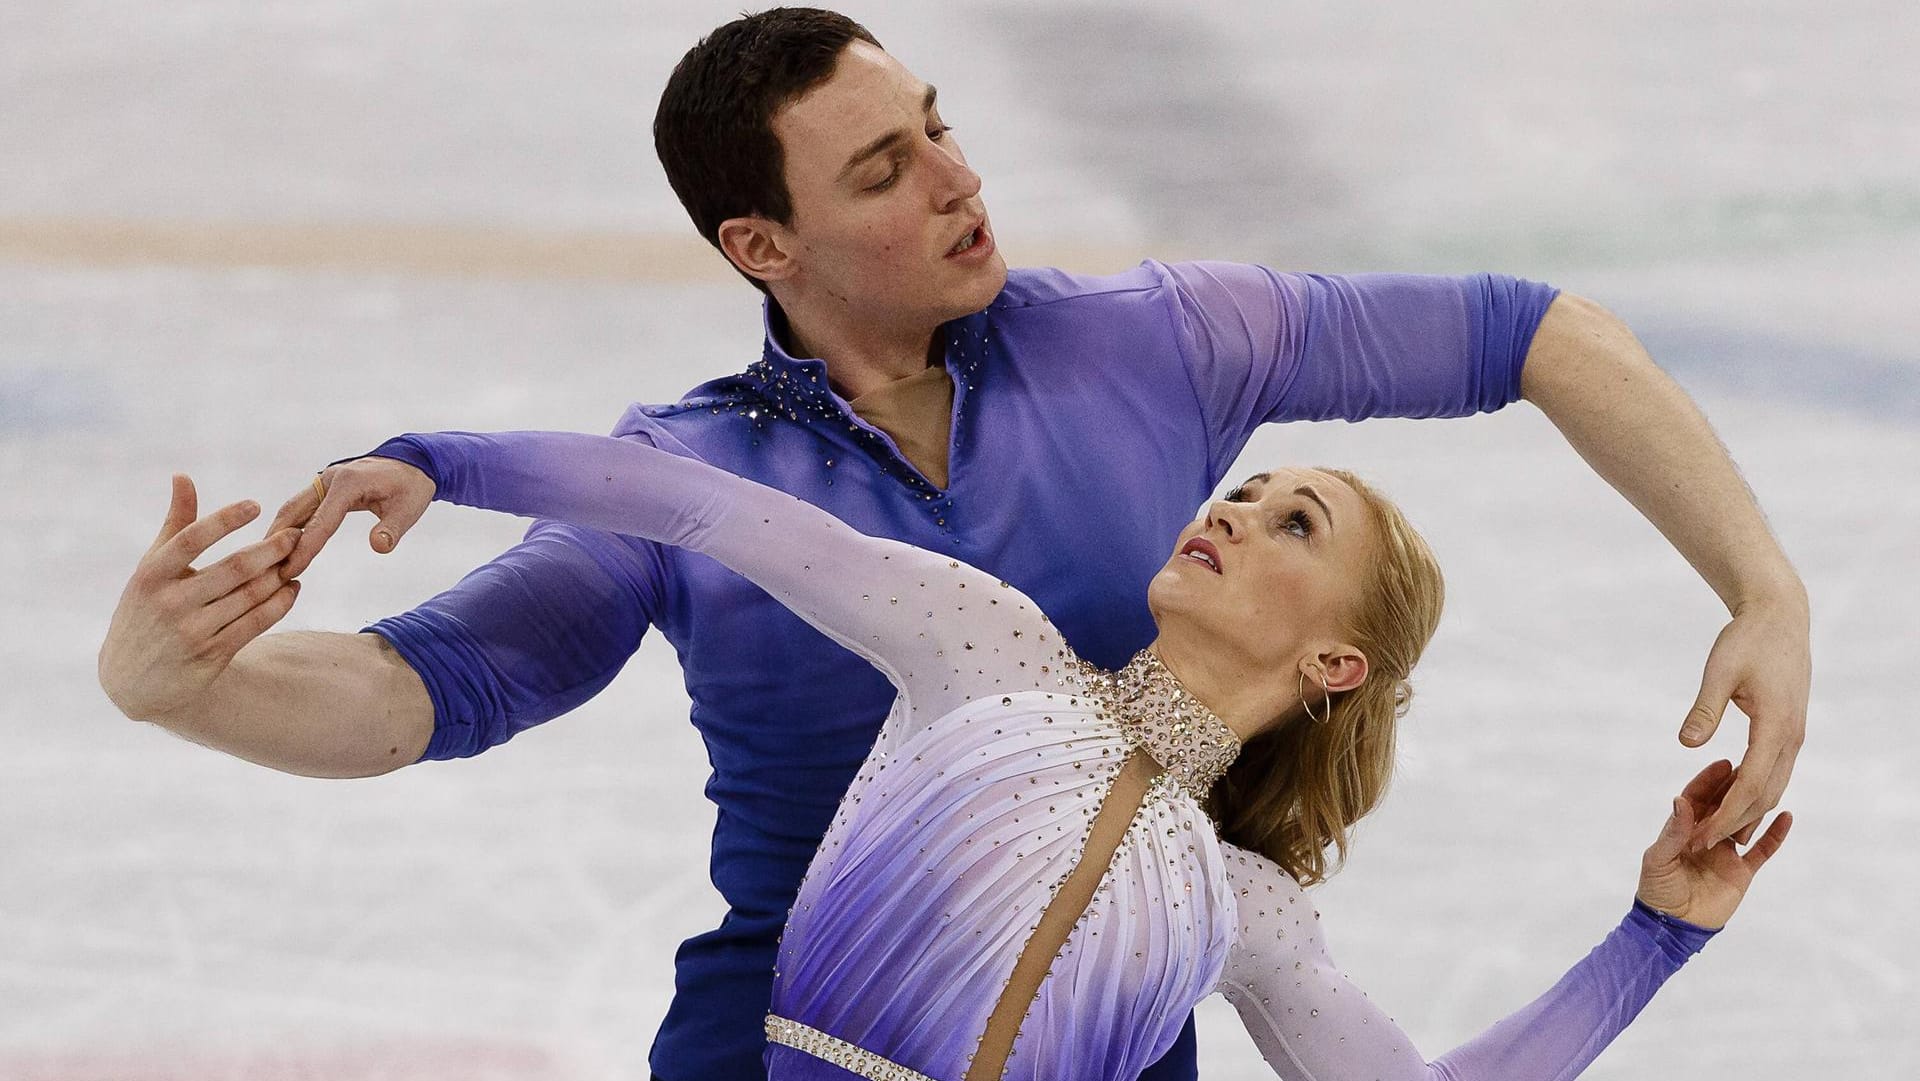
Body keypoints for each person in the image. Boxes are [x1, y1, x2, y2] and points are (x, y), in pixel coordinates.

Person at [96, 8, 1811, 1080]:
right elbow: (427, 687)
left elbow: (1532, 329)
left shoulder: (1156, 347)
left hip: (1102, 1022)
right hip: (785, 1028)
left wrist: (1762, 586)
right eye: (883, 169)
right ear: (763, 242)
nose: (952, 179)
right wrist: (185, 684)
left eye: (939, 123)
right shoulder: (840, 553)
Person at [311, 425, 1793, 1080]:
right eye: (1241, 487)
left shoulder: (1244, 908)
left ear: (1337, 662)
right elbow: (699, 504)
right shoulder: (978, 643)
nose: (1228, 510)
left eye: (1293, 523)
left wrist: (1658, 934)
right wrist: (447, 460)